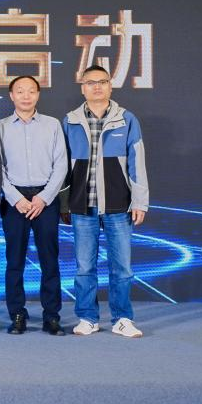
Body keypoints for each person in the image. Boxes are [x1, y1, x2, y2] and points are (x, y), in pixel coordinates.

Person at [61, 65, 149, 338]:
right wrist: (64, 203)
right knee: (84, 268)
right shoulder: (70, 121)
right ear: (83, 88)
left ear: (110, 86)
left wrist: (140, 201)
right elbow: (62, 165)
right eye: (90, 82)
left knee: (122, 268)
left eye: (102, 81)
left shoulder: (127, 120)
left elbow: (137, 163)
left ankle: (122, 318)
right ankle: (87, 317)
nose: (97, 86)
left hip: (118, 204)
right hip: (82, 206)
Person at [0, 75, 68, 336]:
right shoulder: (0, 127)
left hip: (45, 199)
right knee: (14, 261)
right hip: (14, 200)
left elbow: (61, 164)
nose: (25, 96)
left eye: (31, 91)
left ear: (38, 95)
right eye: (20, 91)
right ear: (11, 95)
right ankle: (17, 314)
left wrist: (44, 197)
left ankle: (52, 316)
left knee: (50, 260)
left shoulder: (52, 125)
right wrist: (15, 198)